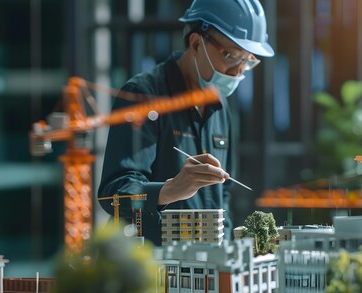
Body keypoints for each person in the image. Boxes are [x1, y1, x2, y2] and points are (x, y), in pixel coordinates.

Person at [98, 0, 274, 245]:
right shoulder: (144, 95)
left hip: (205, 267)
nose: (238, 72)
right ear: (196, 43)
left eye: (248, 61)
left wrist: (226, 253)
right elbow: (112, 195)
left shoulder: (221, 107)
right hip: (149, 267)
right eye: (232, 56)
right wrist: (168, 190)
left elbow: (222, 197)